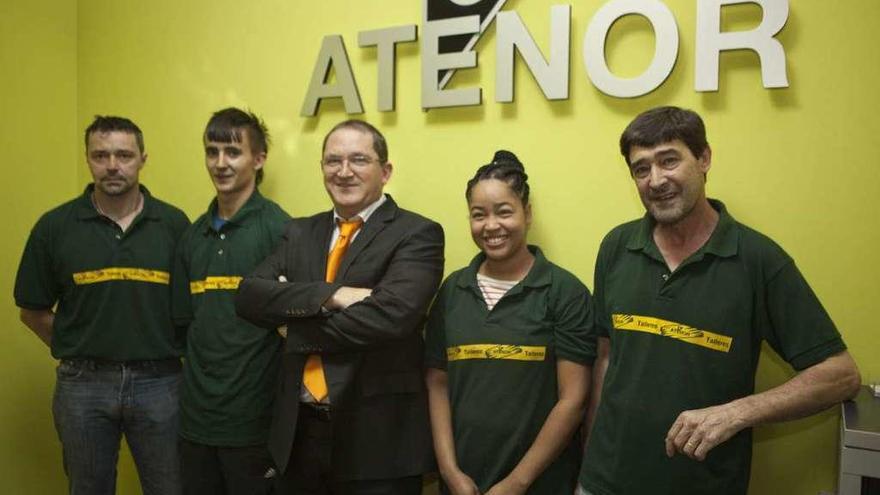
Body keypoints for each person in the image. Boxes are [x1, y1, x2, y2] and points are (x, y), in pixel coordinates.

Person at [578, 106, 861, 495]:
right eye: (641, 168)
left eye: (669, 160)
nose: (655, 180)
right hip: (604, 484)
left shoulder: (759, 260)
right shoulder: (616, 247)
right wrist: (588, 464)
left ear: (704, 158)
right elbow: (606, 356)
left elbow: (841, 375)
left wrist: (737, 412)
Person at [234, 119, 445, 494]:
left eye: (359, 160)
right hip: (297, 437)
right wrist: (333, 296)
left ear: (386, 171)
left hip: (377, 442)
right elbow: (250, 296)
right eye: (333, 161)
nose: (344, 172)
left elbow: (389, 318)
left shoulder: (417, 234)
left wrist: (293, 325)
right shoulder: (299, 232)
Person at [14, 115, 190, 495]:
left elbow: (191, 309)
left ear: (143, 158)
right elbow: (32, 310)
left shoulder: (175, 225)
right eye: (101, 155)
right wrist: (80, 346)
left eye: (124, 155)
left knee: (170, 488)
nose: (112, 165)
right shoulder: (55, 227)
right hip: (83, 386)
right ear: (88, 158)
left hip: (161, 383)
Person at [424, 150, 594, 495]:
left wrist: (517, 483)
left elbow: (573, 399)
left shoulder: (564, 292)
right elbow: (437, 383)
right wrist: (449, 471)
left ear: (526, 214)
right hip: (462, 484)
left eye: (504, 212)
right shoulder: (452, 291)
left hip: (540, 483)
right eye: (478, 215)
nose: (491, 226)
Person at [172, 108, 291, 494]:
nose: (220, 163)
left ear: (258, 160)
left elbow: (296, 333)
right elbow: (184, 328)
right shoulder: (192, 237)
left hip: (255, 423)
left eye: (233, 152)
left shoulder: (282, 231)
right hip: (195, 423)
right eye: (212, 151)